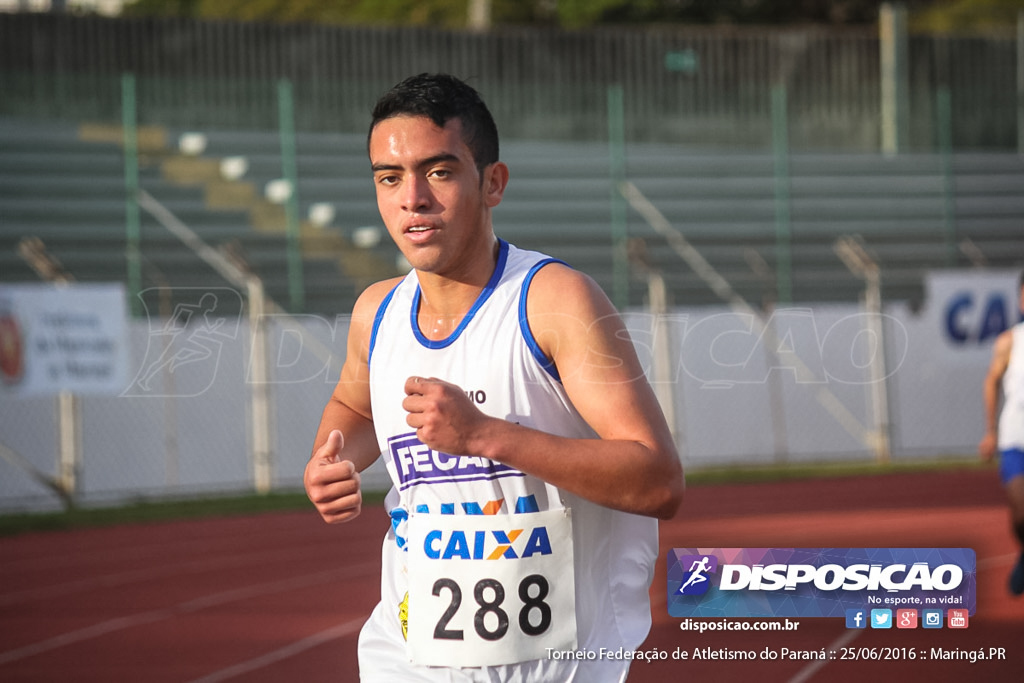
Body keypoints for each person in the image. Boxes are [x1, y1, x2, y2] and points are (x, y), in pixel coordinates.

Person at [304, 73, 684, 681]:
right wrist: (331, 461)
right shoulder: (376, 312)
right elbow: (355, 410)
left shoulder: (554, 302)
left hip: (558, 665)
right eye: (389, 178)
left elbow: (659, 481)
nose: (413, 199)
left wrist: (485, 436)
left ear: (492, 183)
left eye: (440, 171)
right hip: (411, 659)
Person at [979, 271, 1024, 596]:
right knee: (1021, 509)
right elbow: (991, 381)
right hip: (1015, 438)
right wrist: (991, 431)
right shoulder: (1010, 341)